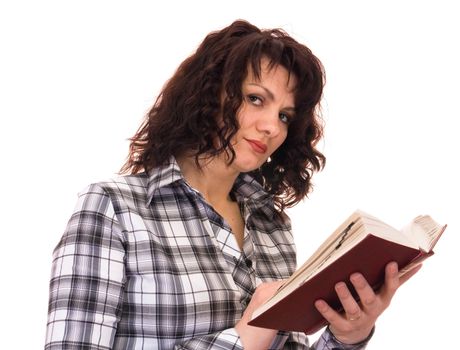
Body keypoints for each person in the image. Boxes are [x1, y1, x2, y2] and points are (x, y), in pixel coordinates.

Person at [45, 20, 420, 349]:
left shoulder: (272, 225)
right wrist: (245, 336)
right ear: (208, 94)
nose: (272, 127)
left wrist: (347, 336)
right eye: (256, 99)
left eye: (285, 116)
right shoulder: (114, 208)